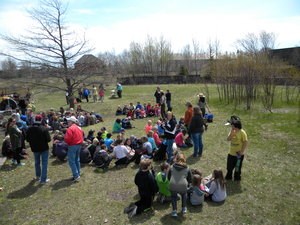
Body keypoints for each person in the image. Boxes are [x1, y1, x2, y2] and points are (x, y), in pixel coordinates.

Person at [26, 115, 51, 184]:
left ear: (34, 119)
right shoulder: (43, 128)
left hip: (35, 148)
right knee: (44, 163)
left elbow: (27, 139)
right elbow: (48, 139)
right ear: (41, 120)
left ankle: (38, 176)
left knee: (37, 162)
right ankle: (43, 179)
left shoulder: (29, 129)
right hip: (44, 148)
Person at [168, 153, 192, 217]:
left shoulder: (171, 167)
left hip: (172, 185)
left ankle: (174, 211)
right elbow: (190, 180)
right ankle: (184, 208)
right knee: (184, 194)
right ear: (184, 159)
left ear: (176, 159)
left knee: (173, 197)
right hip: (183, 185)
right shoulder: (187, 168)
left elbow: (168, 177)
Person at [64, 116, 84, 182]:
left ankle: (76, 175)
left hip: (73, 145)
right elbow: (82, 135)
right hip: (79, 145)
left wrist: (68, 143)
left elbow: (67, 138)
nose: (67, 122)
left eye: (68, 121)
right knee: (76, 159)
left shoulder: (70, 129)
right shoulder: (79, 127)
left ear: (71, 122)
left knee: (72, 161)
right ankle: (78, 173)